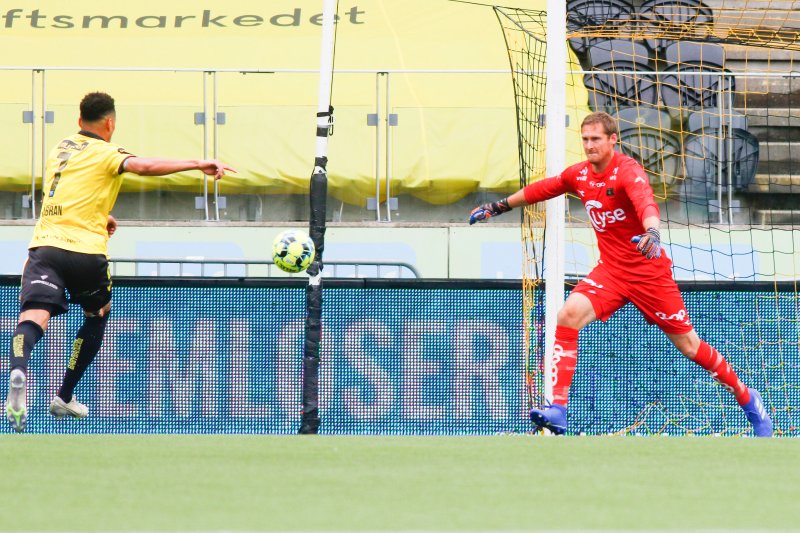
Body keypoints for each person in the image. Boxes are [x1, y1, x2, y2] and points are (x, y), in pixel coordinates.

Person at [469, 111, 773, 438]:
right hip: (612, 272)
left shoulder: (628, 171)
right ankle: (558, 409)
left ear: (613, 139)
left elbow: (646, 205)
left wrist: (652, 234)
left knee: (689, 346)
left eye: (596, 139)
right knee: (568, 315)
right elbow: (545, 188)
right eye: (585, 140)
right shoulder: (579, 175)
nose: (589, 146)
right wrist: (498, 206)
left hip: (649, 273)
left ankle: (747, 397)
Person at [5, 91, 236, 432]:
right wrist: (197, 163)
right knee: (97, 314)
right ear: (110, 123)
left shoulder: (61, 148)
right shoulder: (108, 152)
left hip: (46, 249)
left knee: (32, 318)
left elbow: (68, 190)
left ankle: (19, 369)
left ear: (79, 120)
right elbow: (141, 166)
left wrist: (102, 213)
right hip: (86, 252)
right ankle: (64, 394)